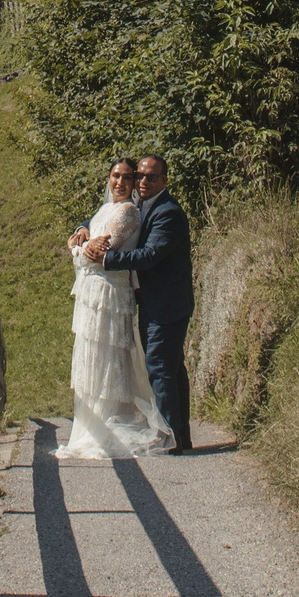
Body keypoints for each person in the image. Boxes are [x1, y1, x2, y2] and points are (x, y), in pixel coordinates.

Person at [55, 160, 174, 460]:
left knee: (107, 359)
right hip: (90, 294)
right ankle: (90, 426)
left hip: (110, 293)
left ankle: (111, 421)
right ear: (108, 179)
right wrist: (82, 236)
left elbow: (103, 252)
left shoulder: (129, 211)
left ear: (134, 183)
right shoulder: (102, 211)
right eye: (115, 176)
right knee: (90, 357)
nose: (120, 182)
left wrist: (74, 249)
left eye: (127, 178)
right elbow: (91, 242)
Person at [89, 154, 194, 455]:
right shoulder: (145, 206)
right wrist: (84, 228)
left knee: (160, 367)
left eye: (151, 177)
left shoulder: (168, 212)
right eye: (140, 175)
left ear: (164, 180)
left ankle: (169, 438)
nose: (143, 181)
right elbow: (113, 214)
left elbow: (150, 255)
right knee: (171, 368)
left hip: (167, 302)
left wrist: (108, 259)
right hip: (156, 300)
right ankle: (179, 435)